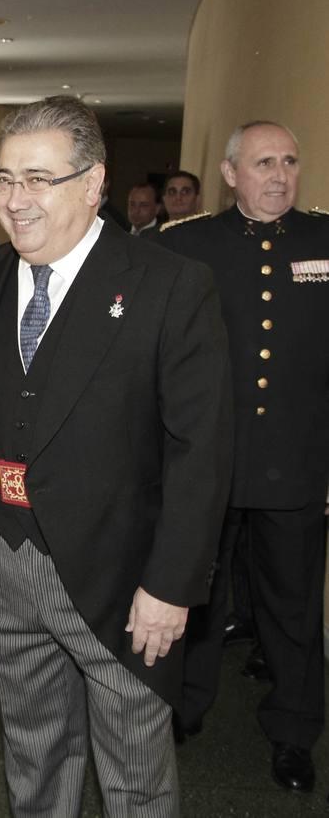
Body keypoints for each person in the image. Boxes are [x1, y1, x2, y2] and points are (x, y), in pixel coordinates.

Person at [0, 96, 232, 816]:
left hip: (122, 576)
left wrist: (171, 586)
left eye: (39, 179)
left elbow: (202, 449)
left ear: (94, 183)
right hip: (4, 557)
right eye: (4, 180)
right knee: (34, 753)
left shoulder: (168, 286)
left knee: (133, 768)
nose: (16, 201)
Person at [158, 121, 329, 794]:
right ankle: (184, 707)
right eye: (264, 163)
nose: (280, 175)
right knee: (198, 593)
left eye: (289, 160)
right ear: (231, 174)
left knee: (292, 605)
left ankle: (293, 731)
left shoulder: (325, 241)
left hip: (298, 458)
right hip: (211, 461)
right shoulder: (189, 245)